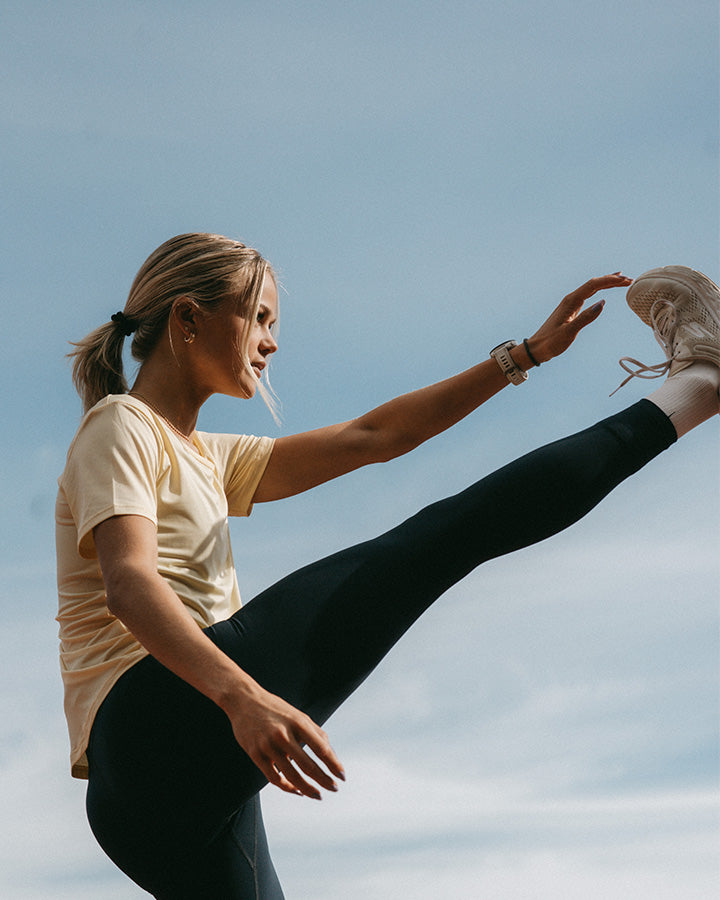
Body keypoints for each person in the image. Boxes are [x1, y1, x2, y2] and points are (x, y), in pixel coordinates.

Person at [55, 234, 720, 899]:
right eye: (258, 317)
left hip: (156, 803)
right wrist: (244, 697)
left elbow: (376, 436)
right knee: (444, 537)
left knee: (443, 538)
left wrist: (525, 355)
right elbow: (131, 584)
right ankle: (698, 384)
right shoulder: (121, 426)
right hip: (156, 718)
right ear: (188, 318)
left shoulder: (205, 456)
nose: (271, 342)